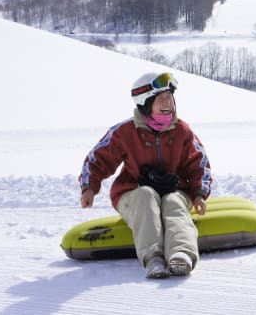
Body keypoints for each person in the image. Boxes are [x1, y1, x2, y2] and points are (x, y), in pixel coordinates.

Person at [79, 72, 212, 279]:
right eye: (161, 98)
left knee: (173, 201)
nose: (167, 102)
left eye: (169, 96)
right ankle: (154, 259)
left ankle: (181, 254)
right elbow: (97, 158)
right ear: (145, 102)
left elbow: (199, 164)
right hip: (132, 194)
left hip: (174, 190)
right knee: (146, 195)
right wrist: (89, 187)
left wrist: (199, 193)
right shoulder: (124, 132)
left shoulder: (182, 131)